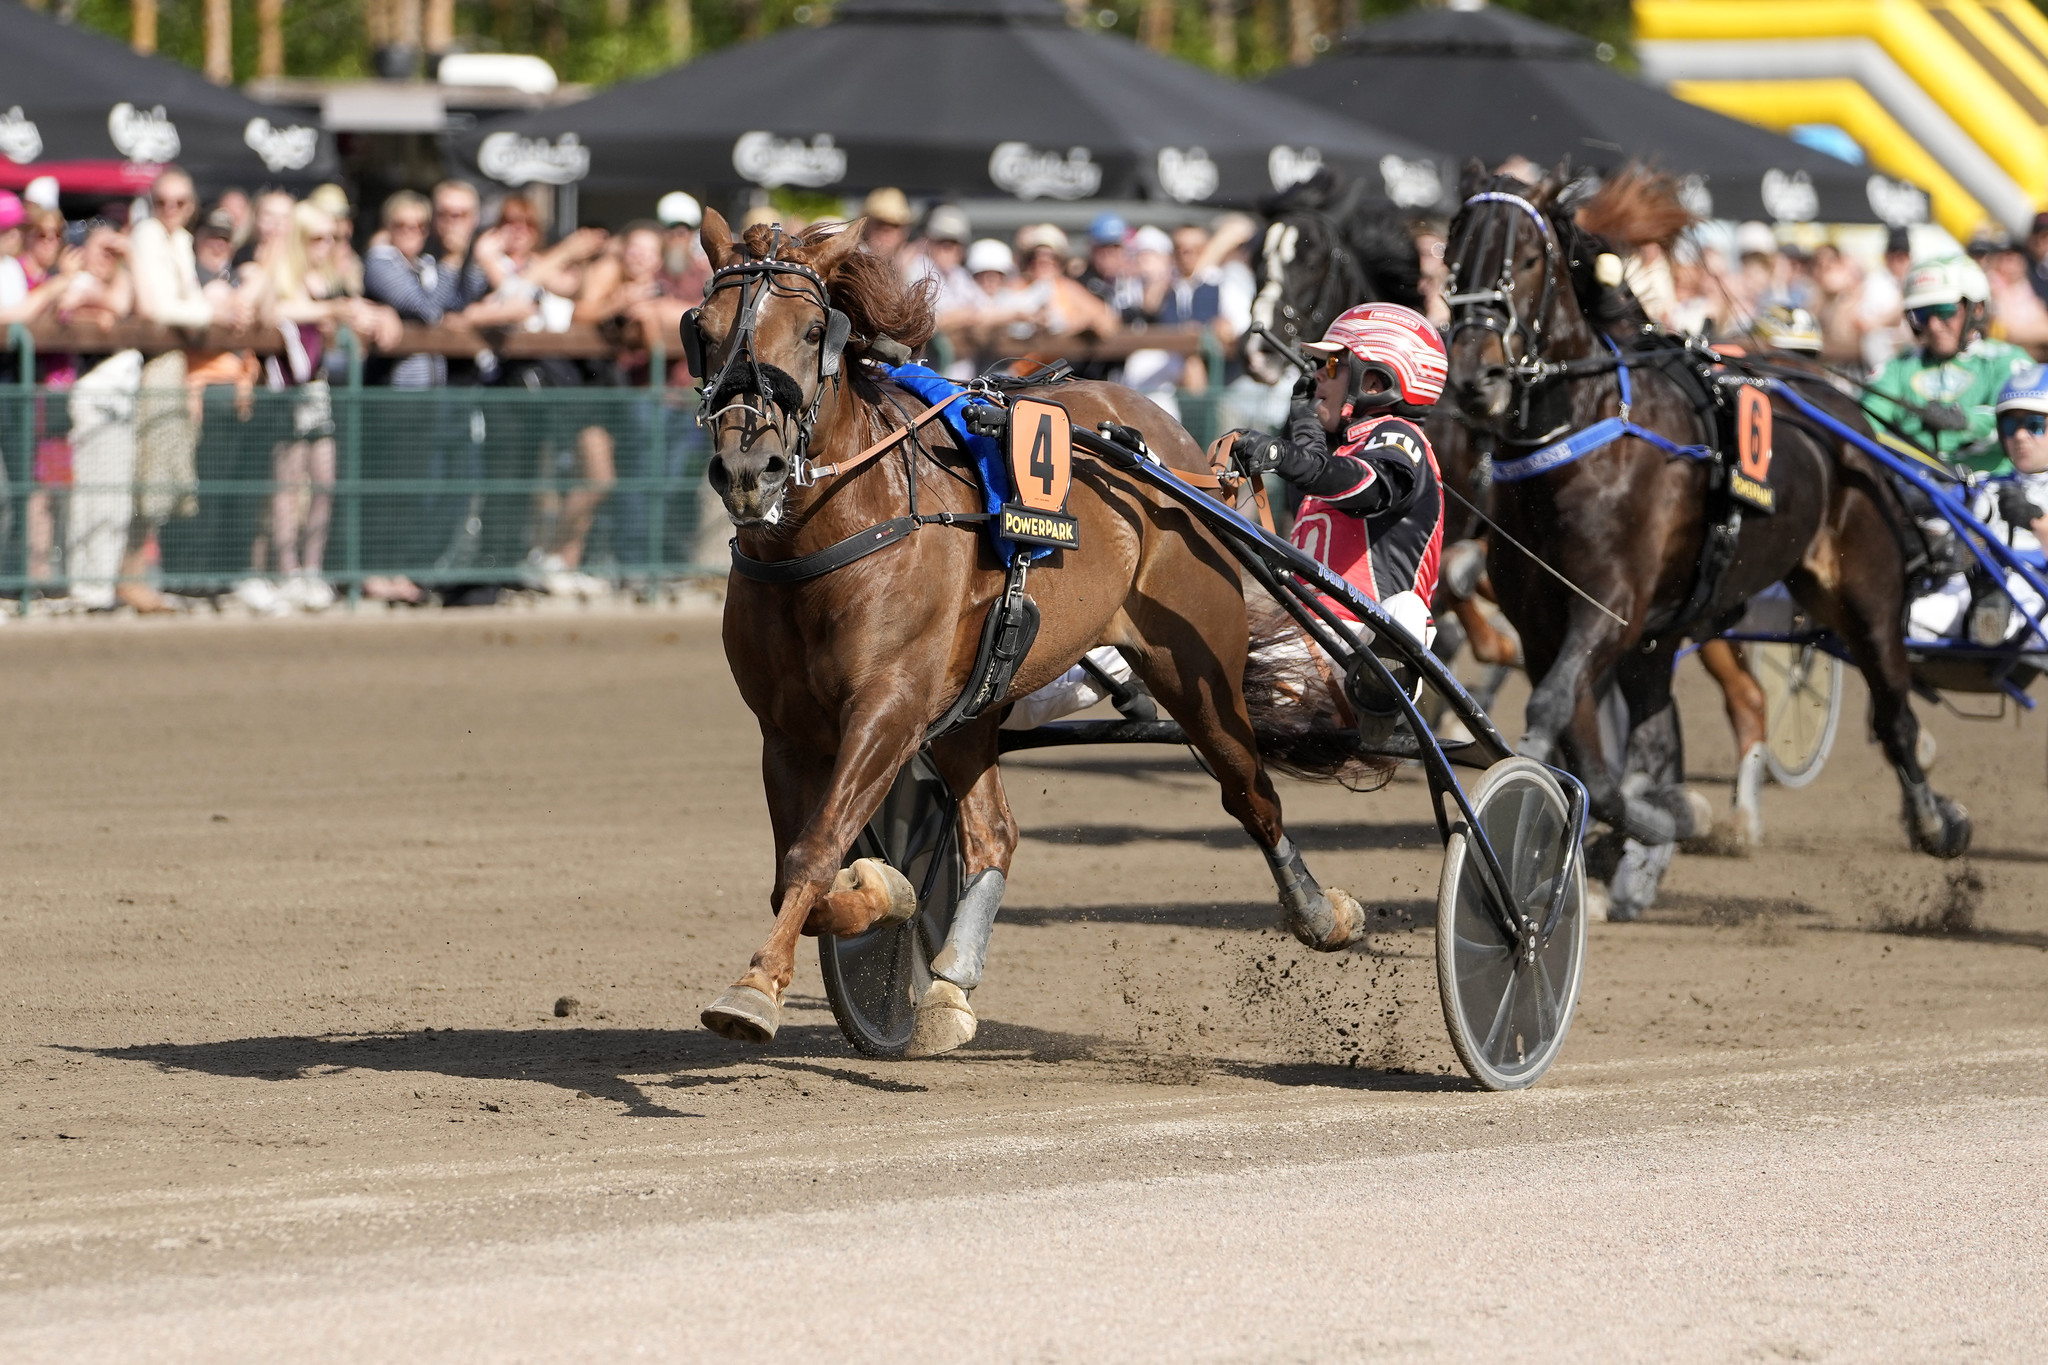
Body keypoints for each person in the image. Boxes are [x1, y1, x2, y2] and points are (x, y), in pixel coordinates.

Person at [1228, 301, 1447, 649]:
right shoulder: (1345, 452)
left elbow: (1367, 491)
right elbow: (1325, 473)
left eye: (1332, 364)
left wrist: (1280, 454)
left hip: (1358, 639)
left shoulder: (1402, 435)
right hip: (1301, 636)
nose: (1317, 374)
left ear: (1375, 381)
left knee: (1405, 609)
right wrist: (1306, 429)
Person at [1864, 255, 2032, 473]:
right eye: (1922, 314)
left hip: (1992, 487)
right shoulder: (1897, 367)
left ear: (1977, 309)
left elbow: (2028, 428)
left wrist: (1965, 421)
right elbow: (1865, 420)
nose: (1933, 326)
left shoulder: (2007, 362)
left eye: (1945, 311)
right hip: (1917, 486)